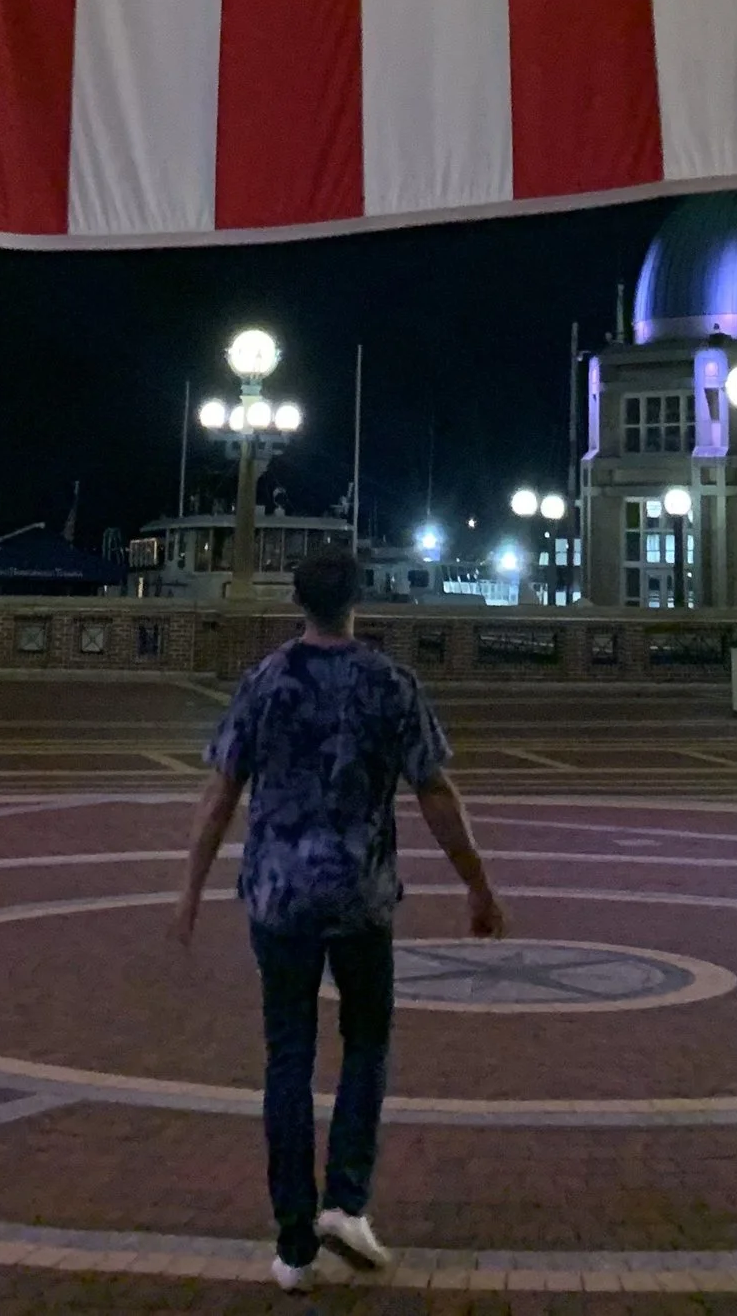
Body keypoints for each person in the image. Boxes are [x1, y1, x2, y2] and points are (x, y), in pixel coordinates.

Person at [174, 545, 503, 1288]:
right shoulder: (390, 681)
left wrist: (190, 886)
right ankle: (346, 1201)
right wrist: (477, 884)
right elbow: (436, 791)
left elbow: (220, 792)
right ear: (360, 597)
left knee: (287, 1056)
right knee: (365, 1042)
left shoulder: (264, 680)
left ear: (298, 599)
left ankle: (293, 1244)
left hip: (278, 897)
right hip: (360, 895)